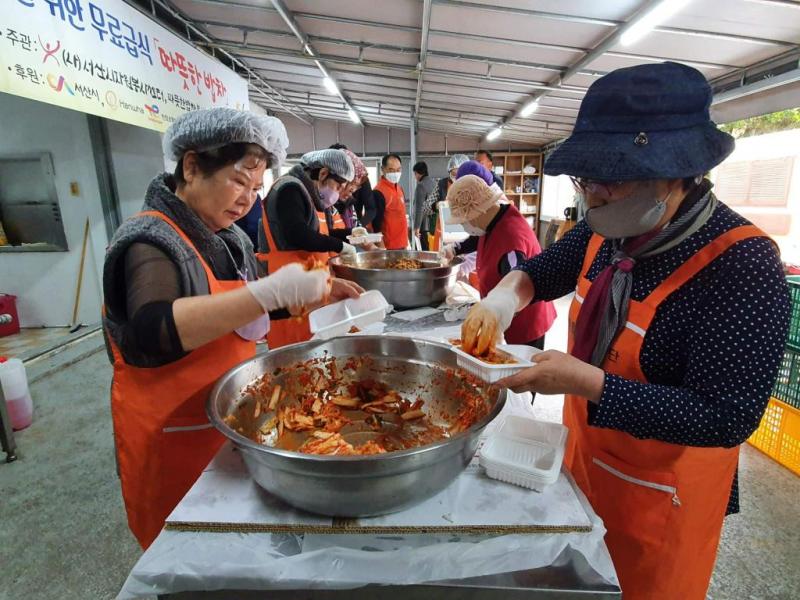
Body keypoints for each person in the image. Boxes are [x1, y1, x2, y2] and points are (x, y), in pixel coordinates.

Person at [461, 62, 791, 599]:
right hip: (581, 466)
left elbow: (725, 415)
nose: (592, 196)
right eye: (586, 180)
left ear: (676, 173)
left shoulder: (742, 266)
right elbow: (541, 272)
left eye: (610, 181)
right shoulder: (607, 229)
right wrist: (502, 300)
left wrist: (587, 383)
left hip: (662, 501)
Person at [102, 108, 360, 548]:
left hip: (228, 422)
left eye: (256, 188)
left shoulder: (230, 237)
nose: (248, 200)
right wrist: (267, 292)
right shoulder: (149, 240)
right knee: (187, 553)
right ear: (191, 167)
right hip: (173, 440)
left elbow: (245, 316)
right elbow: (151, 330)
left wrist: (315, 293)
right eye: (239, 182)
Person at [260, 148, 364, 349]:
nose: (339, 192)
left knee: (314, 350)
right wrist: (340, 246)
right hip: (288, 286)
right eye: (338, 186)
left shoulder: (308, 194)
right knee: (293, 355)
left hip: (307, 285)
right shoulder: (289, 189)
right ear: (323, 174)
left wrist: (351, 234)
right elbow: (299, 234)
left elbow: (320, 234)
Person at [445, 174, 555, 350]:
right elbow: (477, 236)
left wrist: (496, 312)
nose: (465, 225)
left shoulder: (512, 240)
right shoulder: (494, 218)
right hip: (509, 314)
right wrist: (455, 248)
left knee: (518, 364)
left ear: (477, 212)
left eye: (465, 221)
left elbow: (517, 285)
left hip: (524, 323)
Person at [421, 154, 469, 251]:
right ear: (449, 172)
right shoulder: (442, 185)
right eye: (454, 173)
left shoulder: (472, 184)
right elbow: (425, 208)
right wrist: (436, 205)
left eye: (460, 173)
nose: (456, 176)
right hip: (445, 237)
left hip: (467, 236)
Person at [372, 153, 409, 250]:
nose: (395, 173)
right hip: (389, 247)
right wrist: (382, 249)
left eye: (398, 170)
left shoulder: (399, 188)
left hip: (402, 244)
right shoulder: (378, 192)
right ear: (383, 169)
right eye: (391, 170)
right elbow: (376, 225)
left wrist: (406, 243)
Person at [412, 161, 435, 250]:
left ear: (418, 173)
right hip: (433, 225)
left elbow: (419, 208)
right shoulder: (434, 183)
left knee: (422, 252)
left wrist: (417, 227)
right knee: (432, 250)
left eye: (415, 174)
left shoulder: (421, 186)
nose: (415, 177)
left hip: (423, 226)